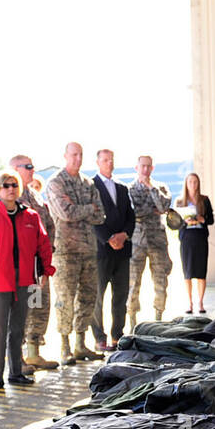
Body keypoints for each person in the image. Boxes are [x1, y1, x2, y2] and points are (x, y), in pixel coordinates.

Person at [0, 168, 54, 392]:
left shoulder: (31, 216)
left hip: (25, 280)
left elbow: (43, 245)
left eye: (14, 185)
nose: (11, 190)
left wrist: (45, 270)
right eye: (6, 186)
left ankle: (16, 373)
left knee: (18, 328)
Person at [45, 142, 105, 365]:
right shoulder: (56, 182)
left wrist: (84, 208)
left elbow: (101, 216)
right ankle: (65, 346)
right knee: (65, 300)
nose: (77, 158)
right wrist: (88, 208)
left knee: (88, 298)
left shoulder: (88, 183)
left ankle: (81, 344)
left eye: (80, 155)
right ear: (65, 156)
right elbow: (66, 213)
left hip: (88, 250)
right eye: (73, 154)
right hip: (65, 252)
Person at [10, 154, 58, 370]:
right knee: (20, 312)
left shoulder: (35, 196)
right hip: (20, 267)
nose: (32, 169)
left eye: (32, 166)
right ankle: (16, 359)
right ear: (14, 168)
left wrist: (46, 257)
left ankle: (33, 353)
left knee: (38, 307)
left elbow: (49, 226)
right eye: (27, 166)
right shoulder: (9, 195)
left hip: (38, 266)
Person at [91, 148, 134, 350]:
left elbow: (130, 217)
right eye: (105, 160)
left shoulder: (122, 188)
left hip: (122, 250)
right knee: (98, 296)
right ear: (98, 162)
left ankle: (118, 335)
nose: (109, 163)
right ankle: (100, 337)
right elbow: (92, 218)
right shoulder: (91, 186)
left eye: (111, 160)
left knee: (121, 295)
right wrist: (108, 238)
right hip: (101, 250)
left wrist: (123, 235)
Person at [126, 154, 174, 330]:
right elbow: (134, 212)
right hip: (137, 241)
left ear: (152, 168)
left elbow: (164, 207)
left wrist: (152, 190)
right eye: (142, 166)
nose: (145, 170)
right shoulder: (129, 189)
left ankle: (159, 318)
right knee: (133, 282)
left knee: (160, 281)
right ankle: (132, 320)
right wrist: (151, 210)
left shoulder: (161, 187)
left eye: (148, 166)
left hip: (158, 241)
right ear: (136, 168)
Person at [174, 172, 214, 314]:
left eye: (195, 182)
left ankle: (201, 303)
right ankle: (189, 303)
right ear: (186, 184)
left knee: (201, 271)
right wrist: (184, 222)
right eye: (190, 182)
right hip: (187, 238)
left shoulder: (204, 200)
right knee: (188, 272)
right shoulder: (180, 201)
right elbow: (174, 223)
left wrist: (202, 219)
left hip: (200, 237)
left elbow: (211, 220)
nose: (193, 184)